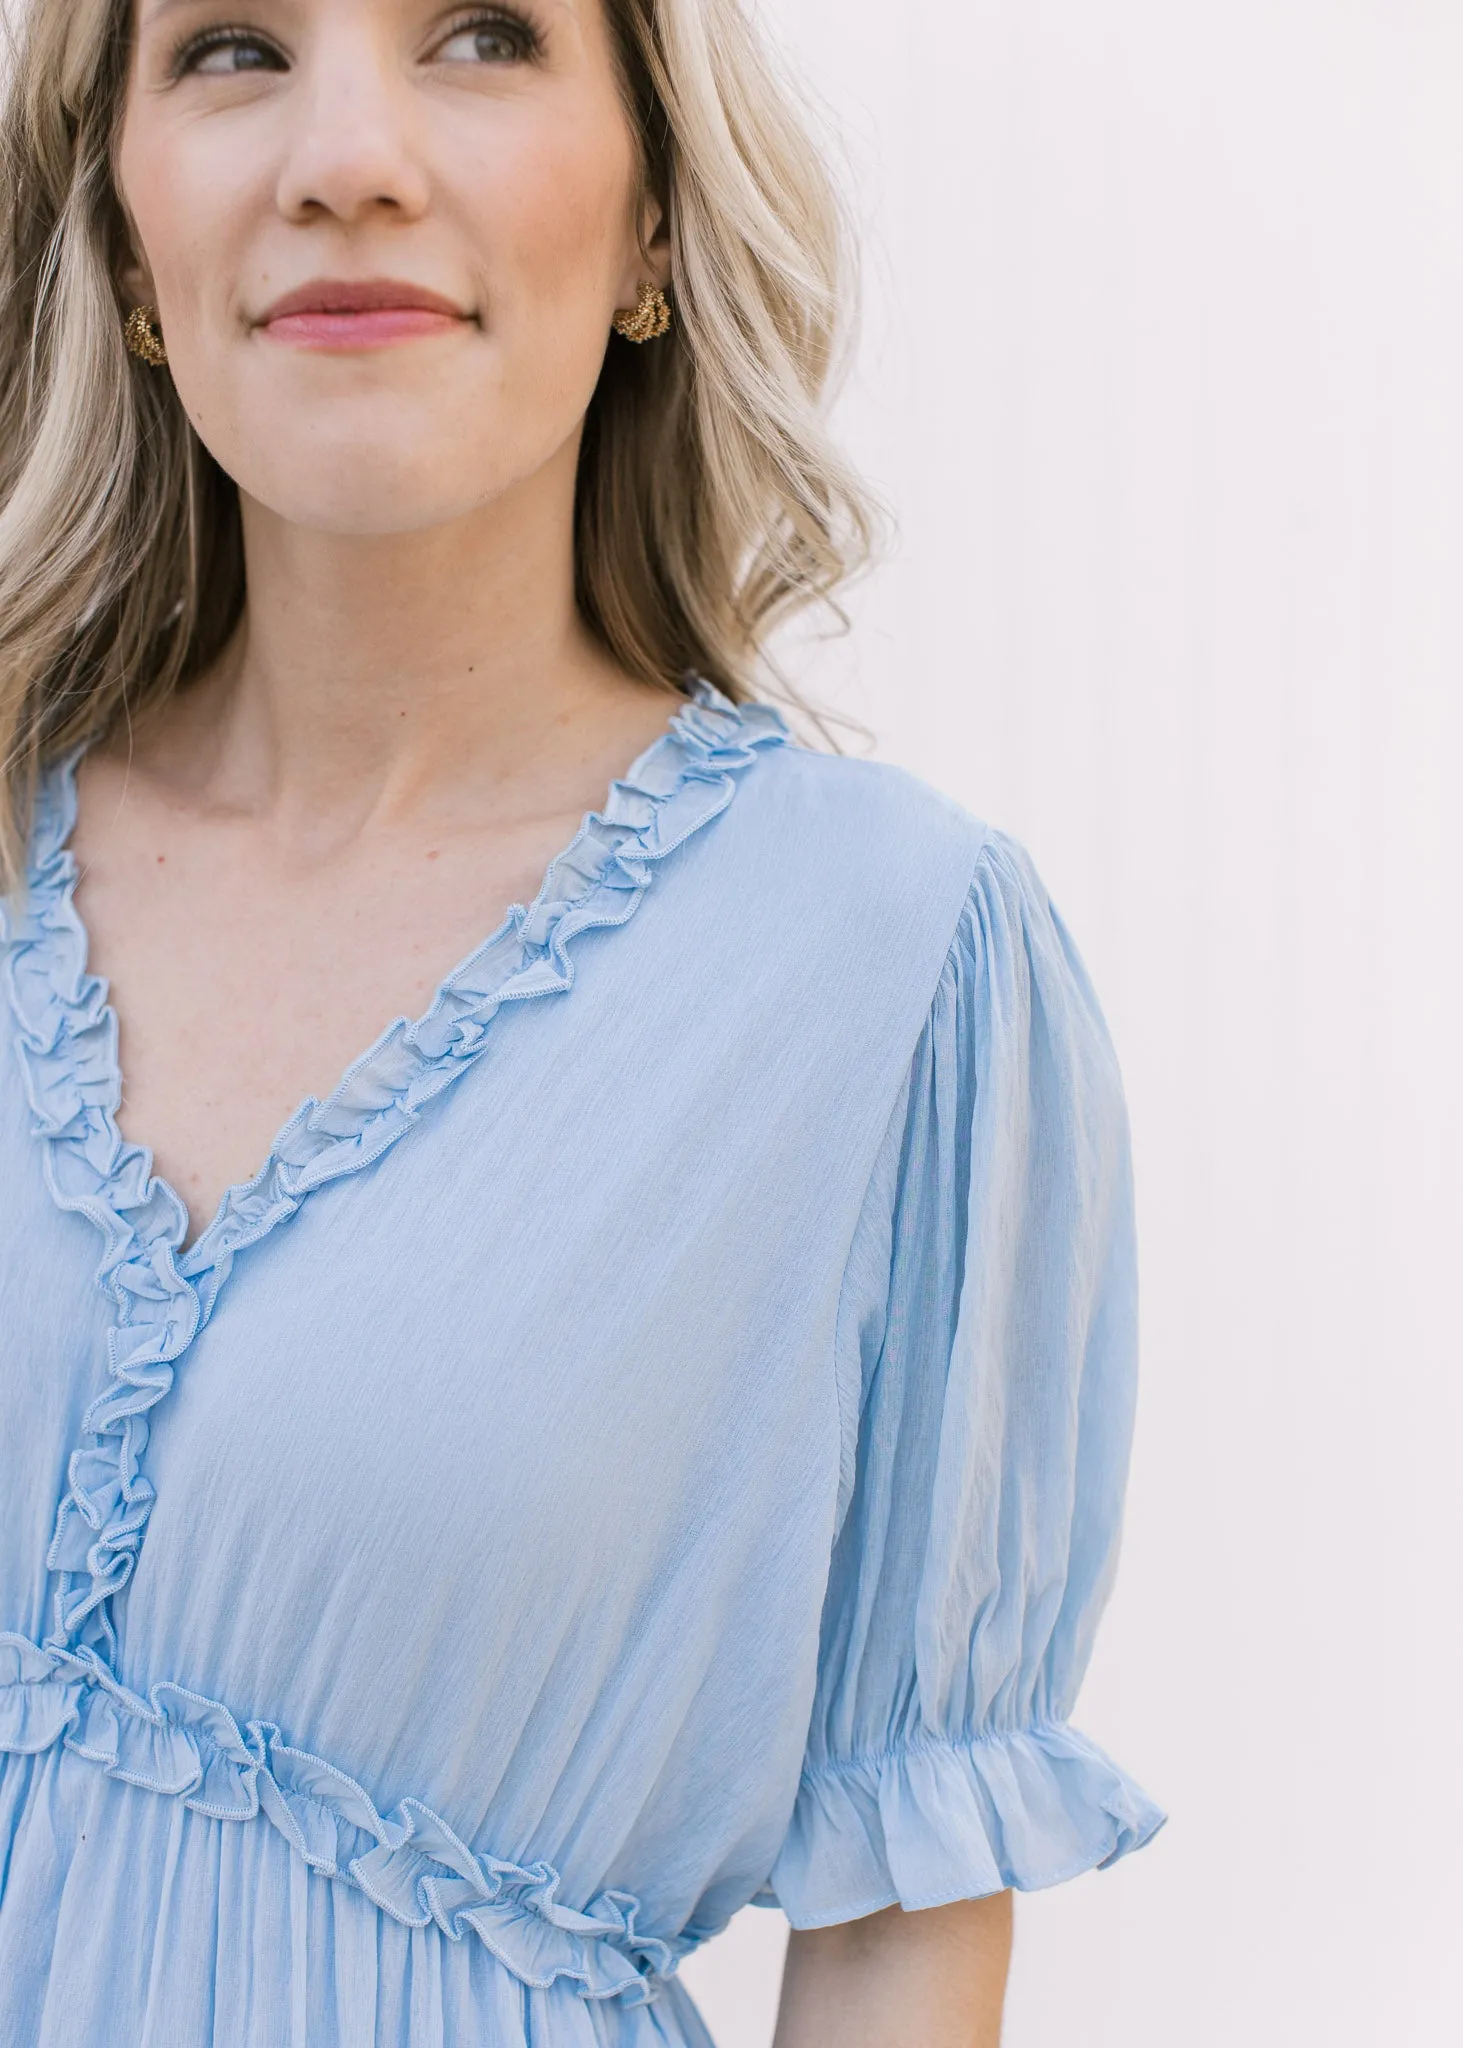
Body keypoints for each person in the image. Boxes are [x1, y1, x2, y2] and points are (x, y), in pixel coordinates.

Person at [0, 1, 1166, 2042]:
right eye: (233, 50)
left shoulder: (885, 959)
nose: (346, 156)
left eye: (479, 35)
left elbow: (896, 1928)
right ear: (119, 241)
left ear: (651, 225)